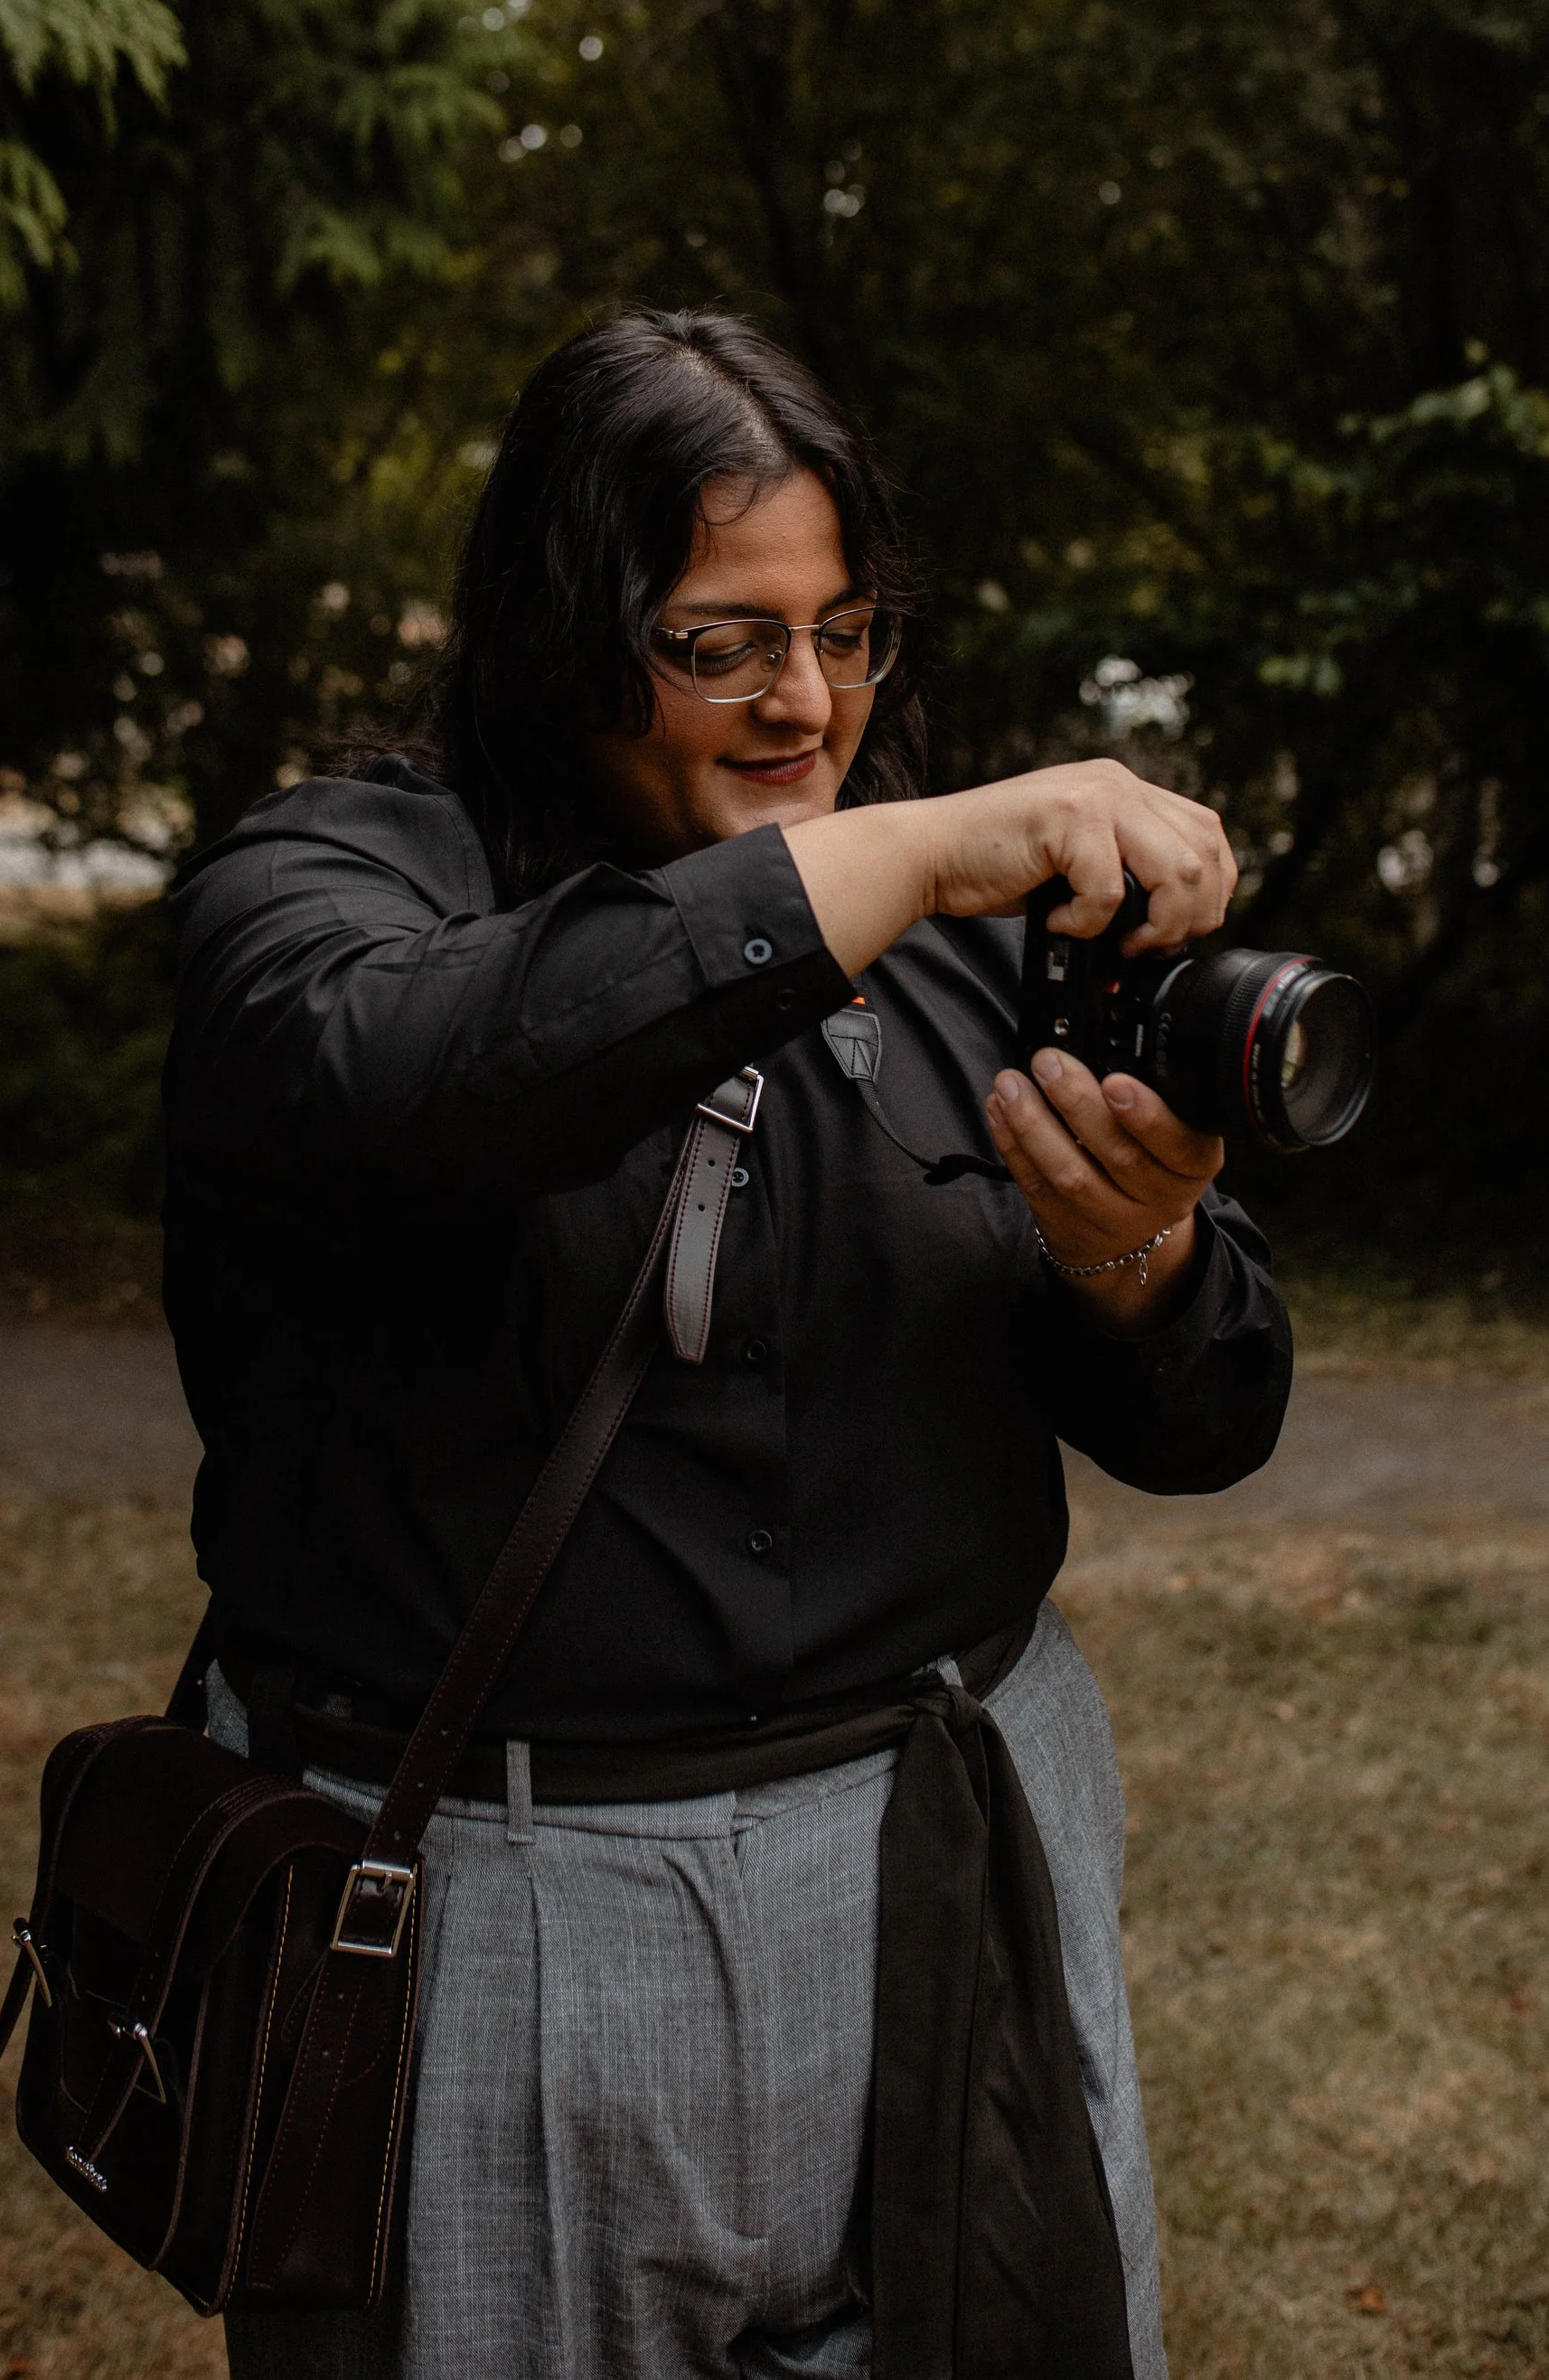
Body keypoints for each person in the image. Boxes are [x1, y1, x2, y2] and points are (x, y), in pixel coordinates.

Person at [162, 308, 1292, 2380]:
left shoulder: (968, 951)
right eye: (724, 640)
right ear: (555, 624)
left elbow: (1215, 1411)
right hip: (507, 1902)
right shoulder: (332, 882)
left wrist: (1135, 1263)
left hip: (948, 1848)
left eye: (845, 629)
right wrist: (906, 854)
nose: (809, 698)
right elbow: (411, 1079)